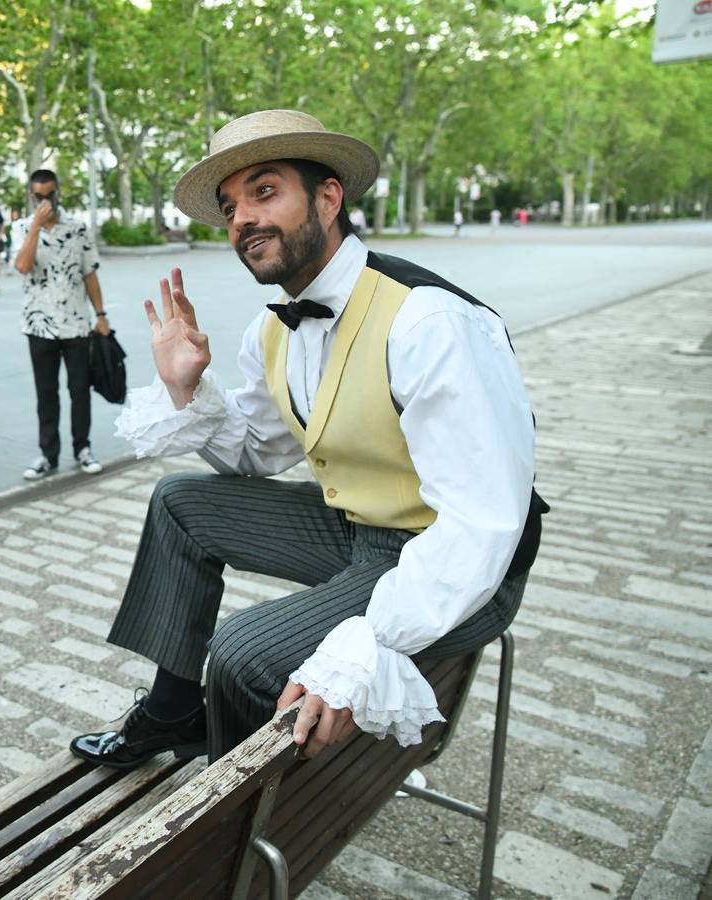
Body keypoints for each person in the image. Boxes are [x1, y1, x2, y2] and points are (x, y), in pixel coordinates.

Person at [69, 109, 544, 771]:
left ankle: (233, 825)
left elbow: (482, 521)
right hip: (357, 531)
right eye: (231, 207)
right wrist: (186, 390)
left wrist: (367, 641)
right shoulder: (269, 333)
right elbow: (259, 454)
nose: (242, 219)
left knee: (242, 649)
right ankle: (174, 712)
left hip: (456, 561)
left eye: (264, 192)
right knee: (179, 503)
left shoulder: (426, 319)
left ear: (328, 197)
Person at [11, 168, 110, 480]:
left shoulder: (78, 228)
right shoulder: (22, 227)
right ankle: (47, 454)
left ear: (59, 192)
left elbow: (90, 273)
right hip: (39, 326)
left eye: (49, 194)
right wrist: (36, 228)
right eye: (38, 196)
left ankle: (83, 447)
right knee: (46, 392)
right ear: (31, 196)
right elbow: (23, 266)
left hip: (77, 324)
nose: (45, 201)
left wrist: (101, 314)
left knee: (79, 389)